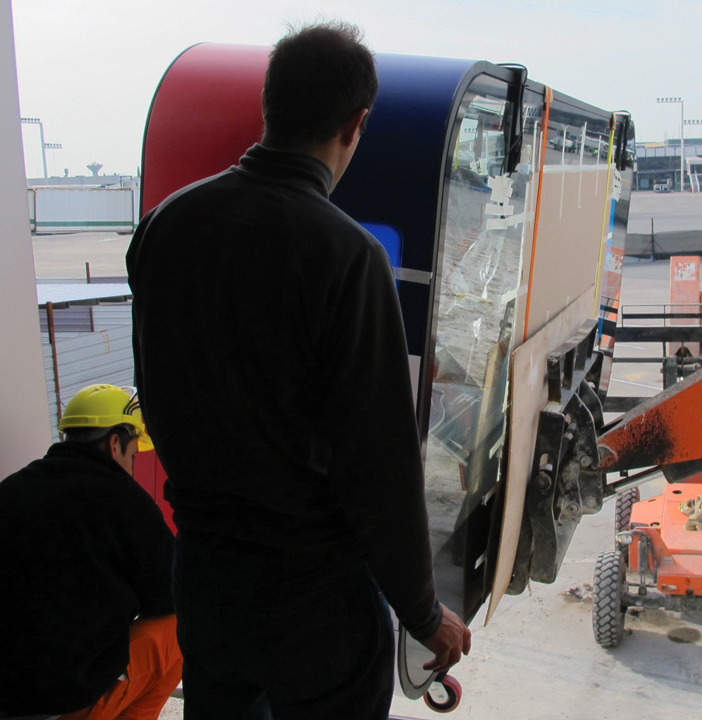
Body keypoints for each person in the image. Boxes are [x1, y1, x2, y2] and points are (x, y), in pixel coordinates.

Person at [126, 21, 470, 719]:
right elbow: (377, 463)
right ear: (356, 125)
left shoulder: (164, 228)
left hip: (207, 580)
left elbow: (158, 393)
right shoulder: (347, 257)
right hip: (313, 599)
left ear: (269, 106)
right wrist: (423, 610)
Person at [0, 384, 180, 719]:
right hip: (62, 700)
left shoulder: (10, 488)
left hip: (7, 695)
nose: (131, 463)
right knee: (179, 627)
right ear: (115, 443)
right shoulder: (124, 499)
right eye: (132, 454)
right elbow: (169, 595)